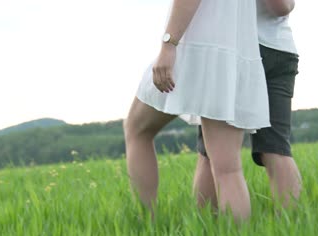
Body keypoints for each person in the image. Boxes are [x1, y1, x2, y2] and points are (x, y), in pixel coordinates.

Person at [123, 0, 270, 221]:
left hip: (194, 49)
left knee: (136, 129)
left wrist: (168, 44)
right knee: (228, 169)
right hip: (233, 53)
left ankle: (147, 225)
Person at [193, 0, 302, 210]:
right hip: (280, 49)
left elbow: (280, 6)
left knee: (212, 153)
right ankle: (293, 232)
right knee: (277, 149)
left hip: (236, 49)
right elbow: (284, 7)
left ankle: (209, 235)